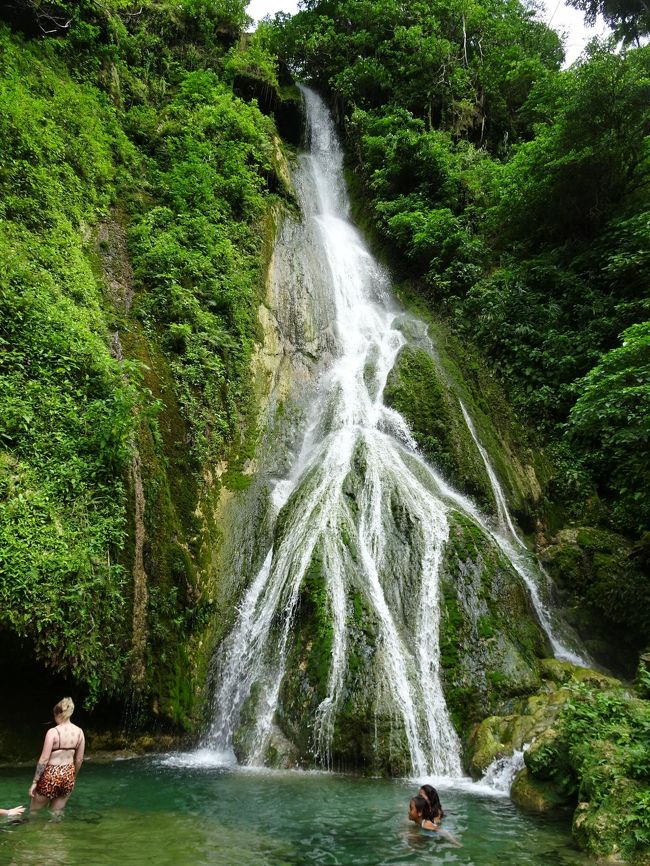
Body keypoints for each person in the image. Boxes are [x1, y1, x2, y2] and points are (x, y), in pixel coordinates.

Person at [29, 697, 85, 815]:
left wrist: (35, 782)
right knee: (56, 814)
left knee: (34, 812)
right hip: (68, 774)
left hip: (51, 775)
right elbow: (79, 759)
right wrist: (73, 777)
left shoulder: (53, 732)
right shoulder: (80, 732)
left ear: (57, 714)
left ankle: (32, 831)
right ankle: (55, 832)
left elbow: (44, 759)